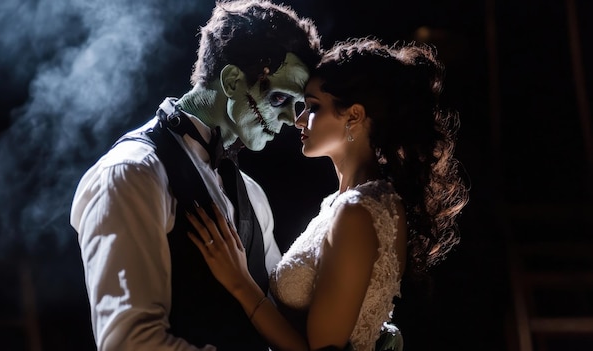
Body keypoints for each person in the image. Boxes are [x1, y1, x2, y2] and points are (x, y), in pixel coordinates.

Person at [186, 37, 469, 351]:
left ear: (353, 115)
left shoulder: (358, 212)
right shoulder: (345, 203)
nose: (298, 119)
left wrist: (240, 283)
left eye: (313, 107)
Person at [69, 1, 321, 350]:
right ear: (233, 81)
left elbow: (280, 317)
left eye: (299, 105)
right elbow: (128, 343)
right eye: (279, 98)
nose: (292, 120)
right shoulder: (132, 173)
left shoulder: (252, 194)